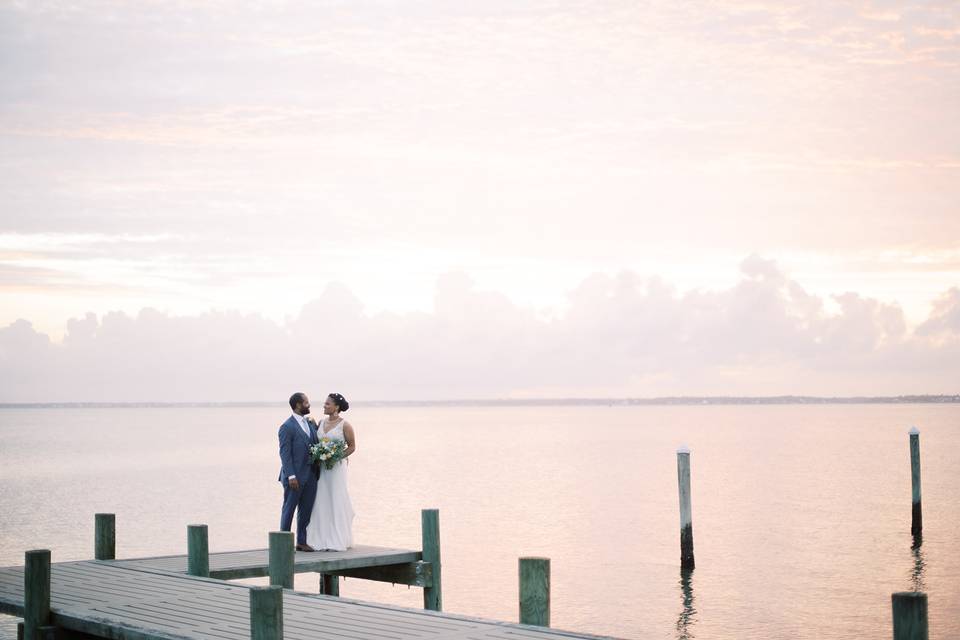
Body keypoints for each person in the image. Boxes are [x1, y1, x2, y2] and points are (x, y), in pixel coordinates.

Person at [305, 392, 356, 551]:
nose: (324, 406)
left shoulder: (345, 425)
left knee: (335, 498)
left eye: (327, 404)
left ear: (336, 407)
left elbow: (352, 446)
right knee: (321, 500)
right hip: (322, 468)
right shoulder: (320, 423)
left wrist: (336, 456)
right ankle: (320, 539)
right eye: (325, 403)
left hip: (336, 469)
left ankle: (337, 539)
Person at [278, 392, 320, 552]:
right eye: (306, 403)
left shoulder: (308, 423)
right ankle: (282, 543)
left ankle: (301, 542)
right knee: (289, 509)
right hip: (294, 477)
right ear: (298, 405)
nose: (309, 405)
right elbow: (284, 453)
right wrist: (291, 475)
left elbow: (313, 442)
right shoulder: (287, 427)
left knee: (306, 510)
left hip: (311, 475)